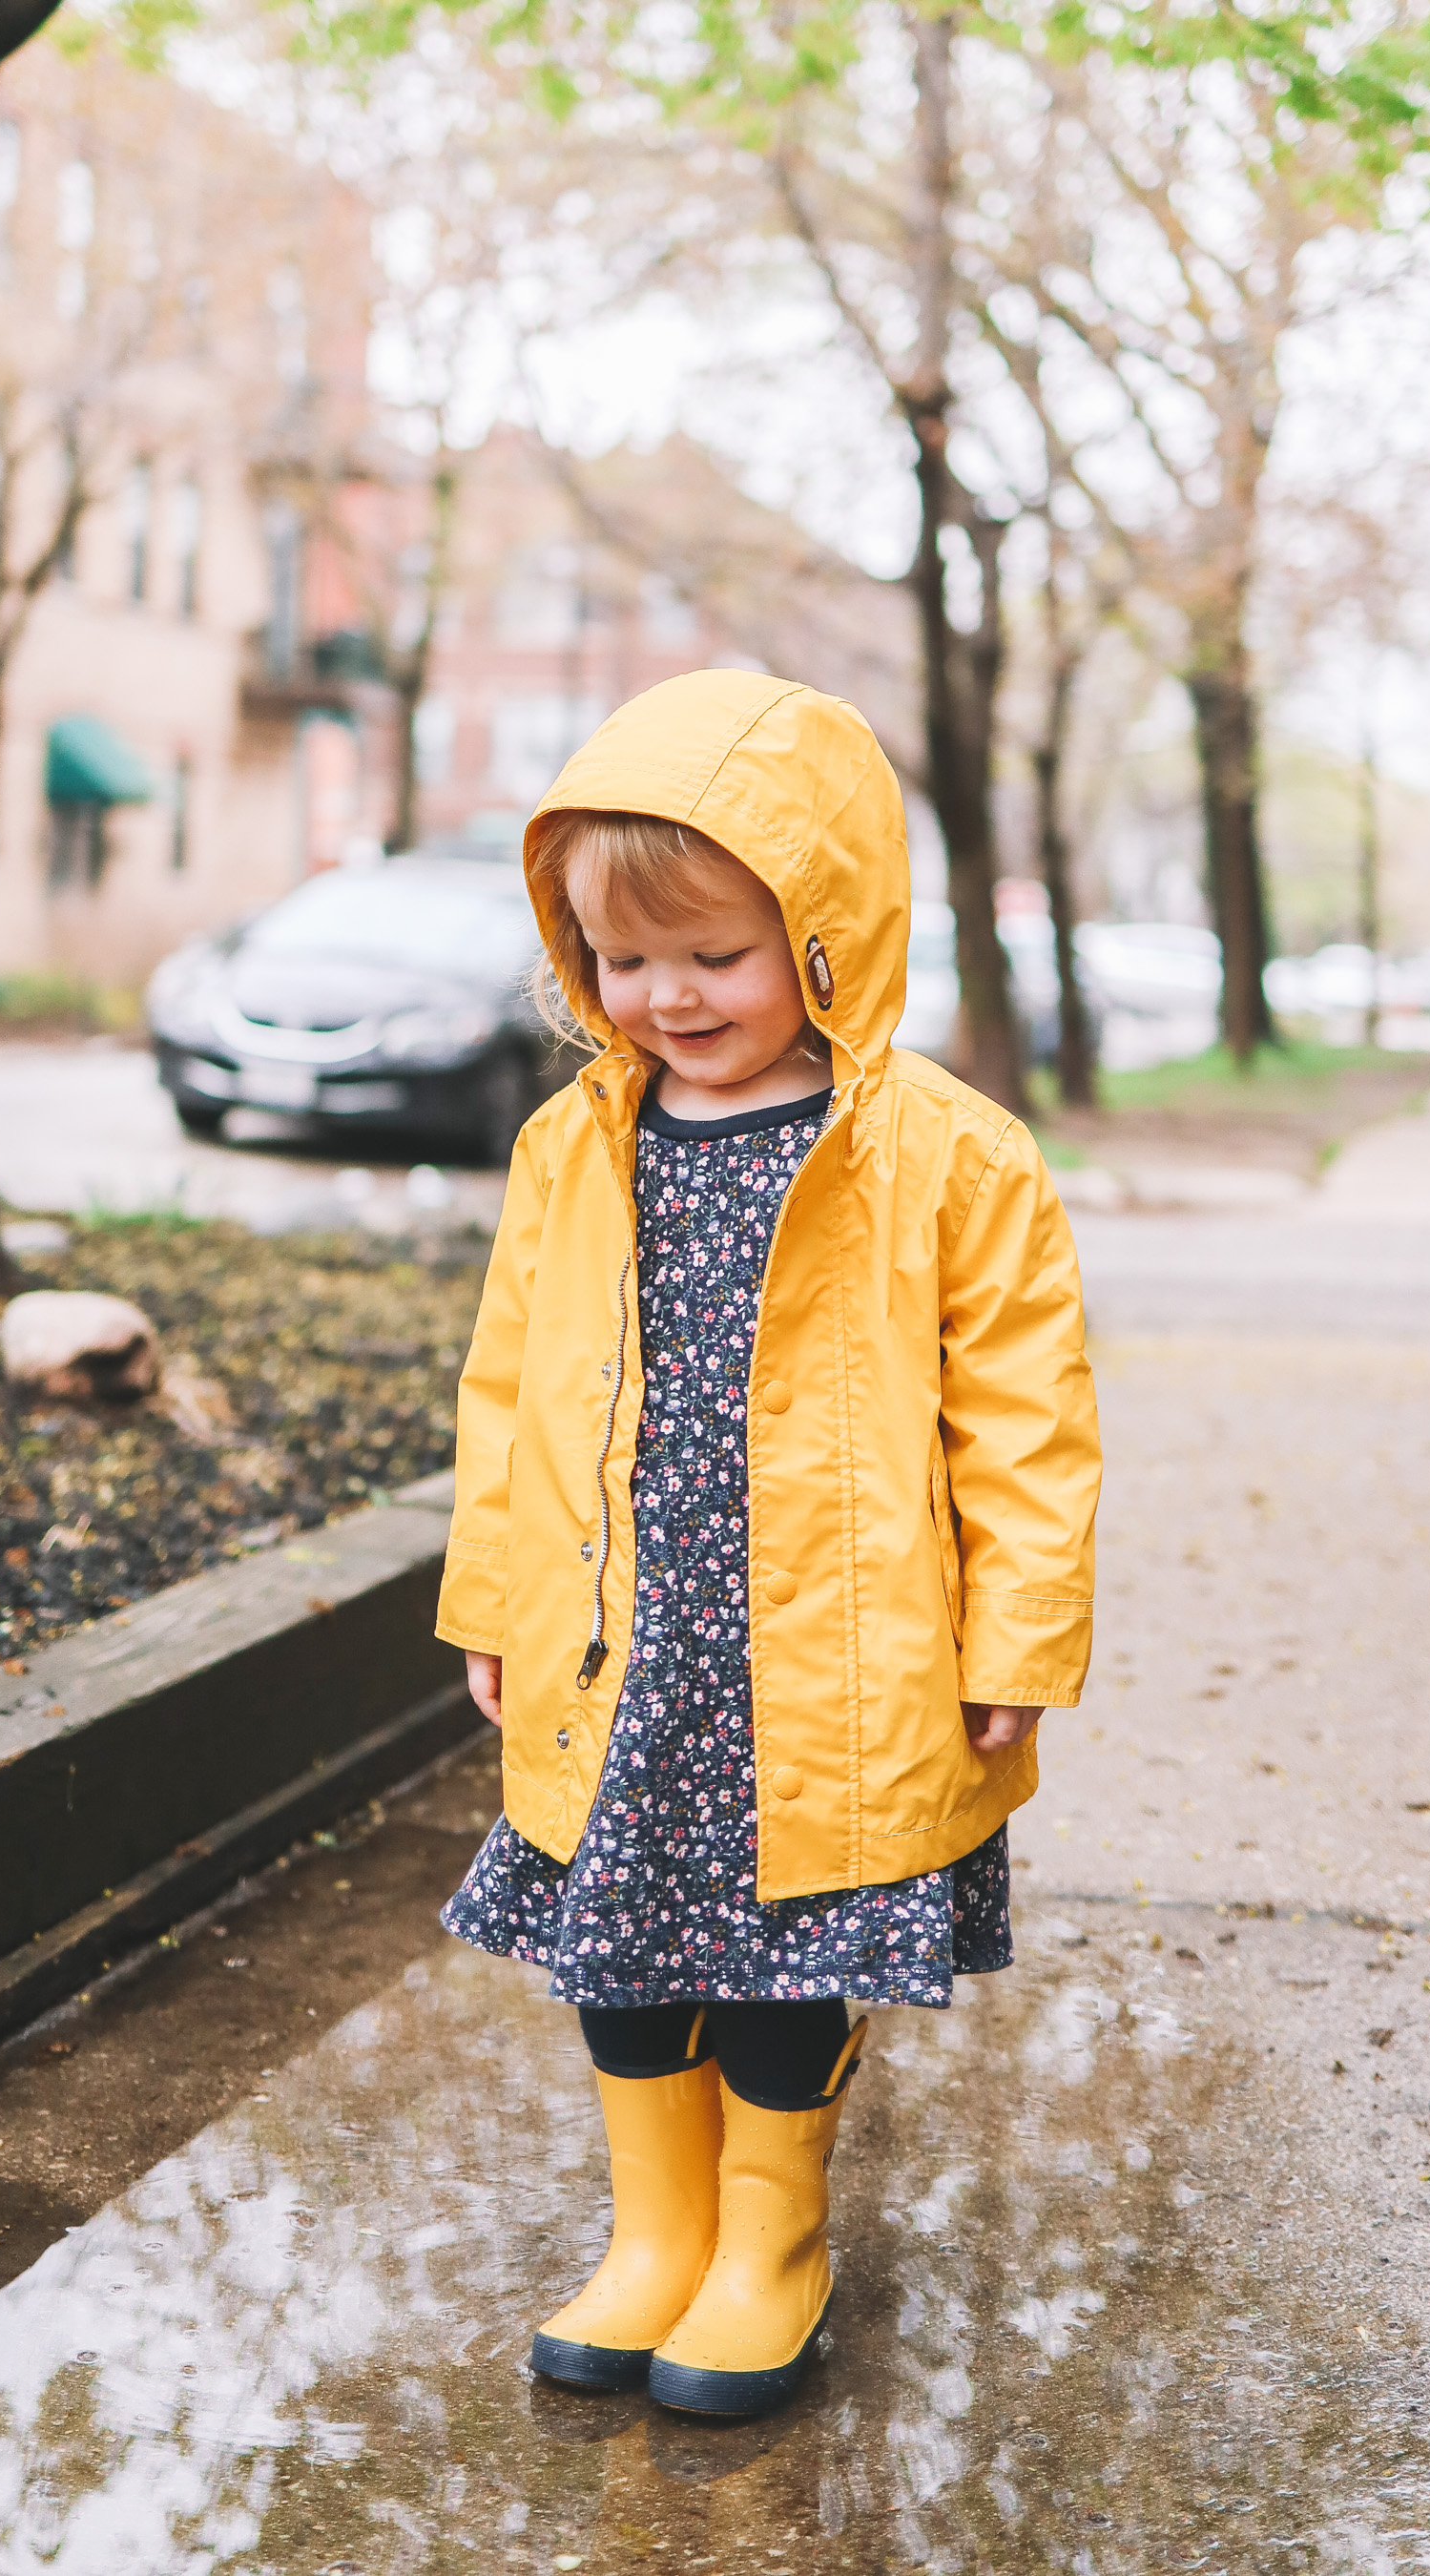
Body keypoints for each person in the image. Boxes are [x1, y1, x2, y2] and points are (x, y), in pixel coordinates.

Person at [436, 670, 1101, 2420]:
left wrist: (1017, 1648)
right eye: (619, 960)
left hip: (844, 1647)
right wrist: (495, 1599)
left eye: (713, 956)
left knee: (793, 1953)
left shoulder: (948, 1161)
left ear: (823, 931)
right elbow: (510, 1391)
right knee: (626, 1948)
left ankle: (769, 2241)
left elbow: (1024, 1427)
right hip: (630, 1643)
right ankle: (655, 2234)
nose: (662, 998)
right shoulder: (575, 1148)